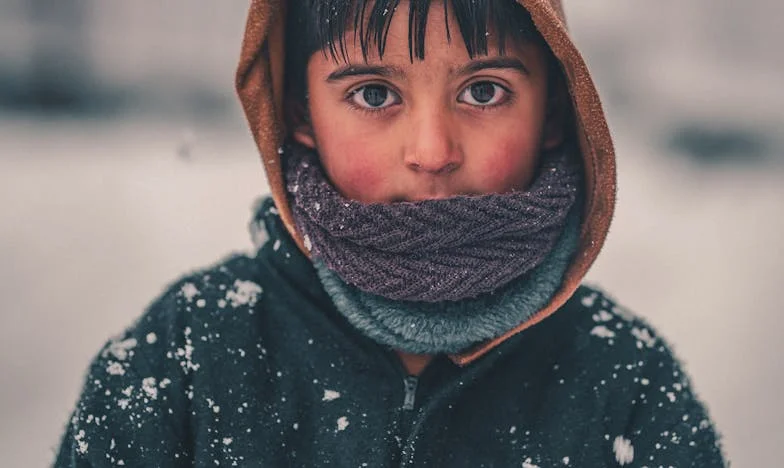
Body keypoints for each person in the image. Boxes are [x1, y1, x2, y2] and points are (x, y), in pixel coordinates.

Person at [55, 0, 727, 466]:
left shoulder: (624, 380)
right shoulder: (189, 352)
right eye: (375, 95)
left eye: (484, 91)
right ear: (300, 114)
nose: (432, 150)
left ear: (553, 111)